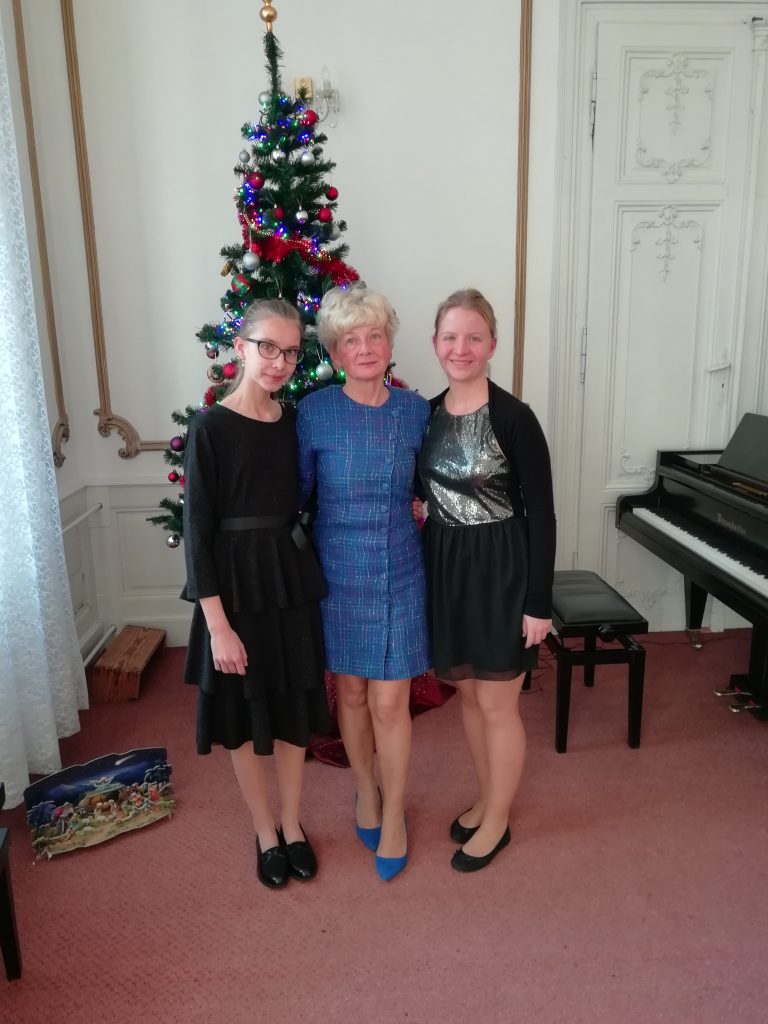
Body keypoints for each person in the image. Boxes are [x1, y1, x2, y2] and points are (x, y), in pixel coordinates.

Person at [182, 298, 330, 889]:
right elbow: (197, 535)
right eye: (268, 347)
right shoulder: (209, 427)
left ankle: (292, 824)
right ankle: (264, 830)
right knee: (242, 715)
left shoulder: (296, 421)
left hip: (288, 579)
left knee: (293, 706)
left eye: (290, 352)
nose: (279, 362)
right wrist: (218, 626)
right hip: (235, 590)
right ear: (240, 347)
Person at [418, 288, 556, 873]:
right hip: (447, 566)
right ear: (435, 344)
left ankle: (498, 820)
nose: (461, 348)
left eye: (474, 337)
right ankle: (485, 797)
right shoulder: (425, 414)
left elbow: (543, 515)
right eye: (450, 337)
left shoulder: (515, 418)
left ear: (492, 344)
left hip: (501, 568)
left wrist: (538, 602)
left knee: (499, 703)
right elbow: (419, 489)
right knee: (470, 697)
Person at [296, 286, 430, 881]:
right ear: (335, 352)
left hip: (401, 567)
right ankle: (366, 789)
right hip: (338, 573)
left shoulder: (416, 412)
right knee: (350, 694)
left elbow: (435, 484)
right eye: (351, 339)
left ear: (390, 343)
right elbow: (298, 495)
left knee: (391, 701)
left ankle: (394, 811)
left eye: (375, 335)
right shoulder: (314, 413)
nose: (366, 347)